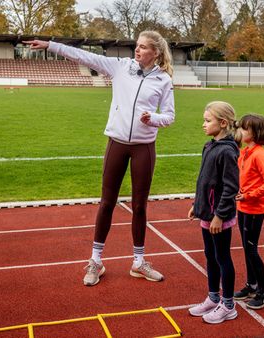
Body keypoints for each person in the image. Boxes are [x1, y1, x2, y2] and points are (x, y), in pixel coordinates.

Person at [23, 31, 175, 285]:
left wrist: (153, 118)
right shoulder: (120, 67)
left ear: (156, 53)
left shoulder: (163, 80)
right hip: (116, 143)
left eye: (143, 47)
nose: (137, 51)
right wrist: (51, 45)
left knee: (140, 206)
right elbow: (84, 55)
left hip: (144, 148)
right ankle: (96, 261)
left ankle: (139, 263)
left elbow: (169, 116)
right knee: (107, 202)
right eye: (136, 46)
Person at [188, 101, 240, 324]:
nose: (203, 124)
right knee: (210, 256)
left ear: (223, 123)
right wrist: (197, 204)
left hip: (219, 217)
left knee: (222, 257)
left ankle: (228, 304)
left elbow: (230, 187)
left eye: (207, 121)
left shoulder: (227, 152)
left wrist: (219, 215)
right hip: (207, 213)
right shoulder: (209, 146)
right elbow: (204, 181)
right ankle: (212, 297)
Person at [232, 114, 264, 310]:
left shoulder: (260, 154)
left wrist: (249, 195)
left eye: (244, 128)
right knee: (246, 248)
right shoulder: (244, 152)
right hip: (242, 207)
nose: (240, 131)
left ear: (256, 133)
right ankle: (251, 285)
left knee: (251, 250)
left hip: (254, 209)